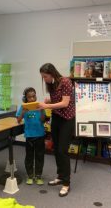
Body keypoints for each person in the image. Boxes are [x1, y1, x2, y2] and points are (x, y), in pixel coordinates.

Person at [38, 63, 75, 197]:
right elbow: (57, 101)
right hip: (57, 118)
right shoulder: (51, 83)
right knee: (56, 148)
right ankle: (60, 176)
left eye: (46, 76)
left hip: (67, 119)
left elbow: (65, 103)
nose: (44, 79)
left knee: (62, 150)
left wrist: (47, 105)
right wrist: (48, 101)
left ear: (52, 73)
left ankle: (66, 183)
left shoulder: (65, 81)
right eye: (42, 77)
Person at [16, 87, 46, 185]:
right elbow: (18, 120)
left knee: (39, 156)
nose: (32, 99)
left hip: (40, 135)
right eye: (30, 97)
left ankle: (38, 176)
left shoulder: (39, 106)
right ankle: (29, 175)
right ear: (26, 98)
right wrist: (23, 113)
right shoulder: (23, 107)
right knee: (29, 157)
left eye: (33, 96)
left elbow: (42, 120)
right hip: (29, 136)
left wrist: (41, 110)